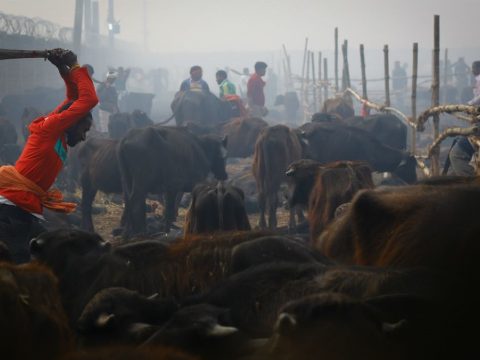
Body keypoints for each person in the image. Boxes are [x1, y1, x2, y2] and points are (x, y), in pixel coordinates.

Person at [0, 49, 98, 263]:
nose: (83, 137)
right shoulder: (52, 128)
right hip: (12, 207)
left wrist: (62, 70)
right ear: (72, 121)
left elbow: (73, 98)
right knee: (21, 264)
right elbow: (89, 99)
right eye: (84, 129)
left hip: (24, 205)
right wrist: (74, 65)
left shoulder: (59, 135)